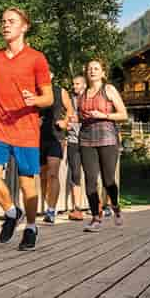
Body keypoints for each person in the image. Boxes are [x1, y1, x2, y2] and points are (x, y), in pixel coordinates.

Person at [0, 8, 53, 251]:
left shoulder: (37, 58)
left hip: (26, 130)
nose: (5, 25)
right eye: (3, 21)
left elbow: (49, 98)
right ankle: (12, 212)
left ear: (24, 27)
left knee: (26, 184)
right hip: (0, 128)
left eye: (11, 21)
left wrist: (34, 100)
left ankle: (31, 227)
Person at [78, 59, 128, 232]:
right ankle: (95, 217)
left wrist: (104, 115)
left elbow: (123, 114)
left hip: (107, 138)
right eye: (90, 68)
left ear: (103, 73)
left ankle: (115, 206)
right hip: (85, 139)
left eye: (96, 68)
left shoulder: (109, 90)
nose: (92, 71)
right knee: (90, 180)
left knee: (108, 181)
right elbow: (80, 116)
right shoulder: (82, 93)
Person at [40, 74, 73, 224]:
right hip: (38, 137)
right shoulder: (36, 92)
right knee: (42, 175)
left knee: (53, 173)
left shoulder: (61, 92)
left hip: (56, 137)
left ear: (52, 76)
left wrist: (65, 121)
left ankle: (51, 210)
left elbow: (70, 110)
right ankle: (43, 206)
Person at [66, 75, 86, 221]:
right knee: (75, 174)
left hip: (89, 140)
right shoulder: (69, 99)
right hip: (73, 140)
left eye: (78, 84)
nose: (75, 86)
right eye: (74, 84)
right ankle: (77, 208)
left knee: (92, 174)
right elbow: (65, 116)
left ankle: (96, 205)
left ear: (84, 85)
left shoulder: (91, 98)